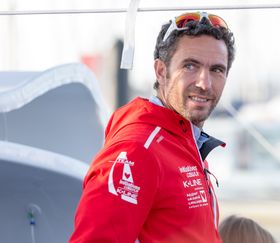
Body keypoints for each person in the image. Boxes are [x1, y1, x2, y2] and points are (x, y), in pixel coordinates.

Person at [69, 11, 235, 243]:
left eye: (217, 70)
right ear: (161, 71)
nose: (204, 83)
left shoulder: (185, 143)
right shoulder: (138, 149)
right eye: (190, 66)